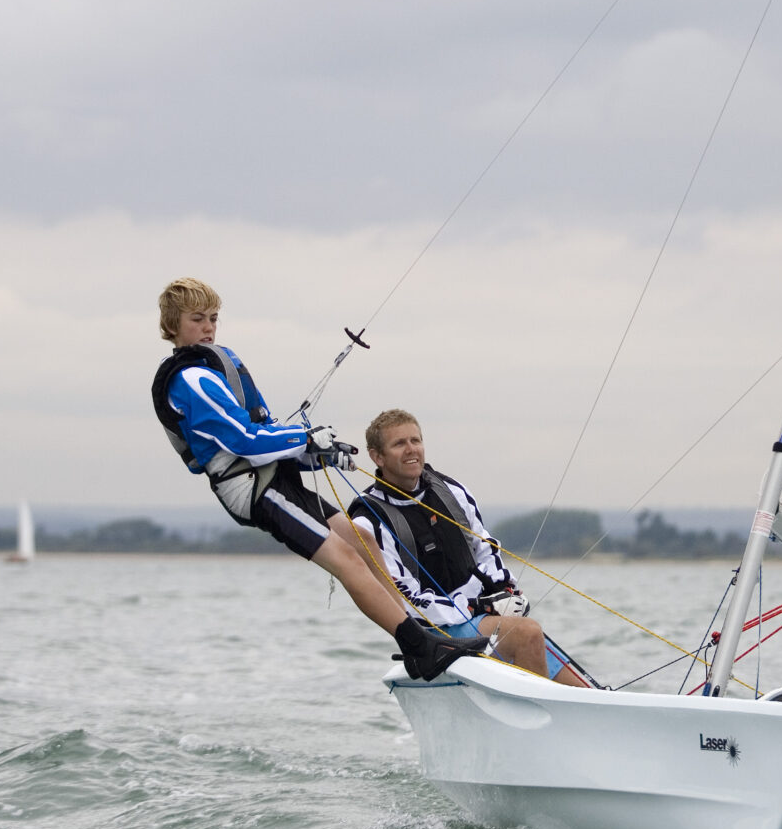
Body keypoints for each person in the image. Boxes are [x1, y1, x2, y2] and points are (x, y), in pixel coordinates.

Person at [150, 278, 486, 681]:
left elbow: (268, 432)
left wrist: (318, 453)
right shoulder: (189, 380)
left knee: (363, 540)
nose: (208, 327)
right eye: (197, 319)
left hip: (275, 477)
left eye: (214, 319)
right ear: (173, 325)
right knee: (344, 557)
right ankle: (420, 649)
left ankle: (423, 633)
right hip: (253, 488)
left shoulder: (216, 366)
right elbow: (242, 439)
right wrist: (304, 438)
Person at [350, 409, 590, 687]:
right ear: (377, 457)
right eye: (399, 443)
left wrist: (503, 590)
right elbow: (403, 600)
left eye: (415, 440)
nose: (411, 449)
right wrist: (477, 605)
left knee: (586, 689)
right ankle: (540, 723)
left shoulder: (451, 491)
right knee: (527, 634)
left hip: (479, 616)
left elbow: (485, 547)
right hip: (435, 631)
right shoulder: (368, 520)